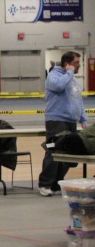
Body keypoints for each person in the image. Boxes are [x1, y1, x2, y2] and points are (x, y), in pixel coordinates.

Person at [39, 51, 87, 196]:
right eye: (76, 62)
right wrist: (69, 73)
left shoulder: (74, 81)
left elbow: (79, 101)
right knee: (52, 150)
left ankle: (56, 183)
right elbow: (59, 86)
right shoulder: (54, 75)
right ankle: (45, 184)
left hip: (71, 123)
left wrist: (83, 119)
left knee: (67, 153)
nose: (79, 65)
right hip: (56, 121)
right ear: (67, 64)